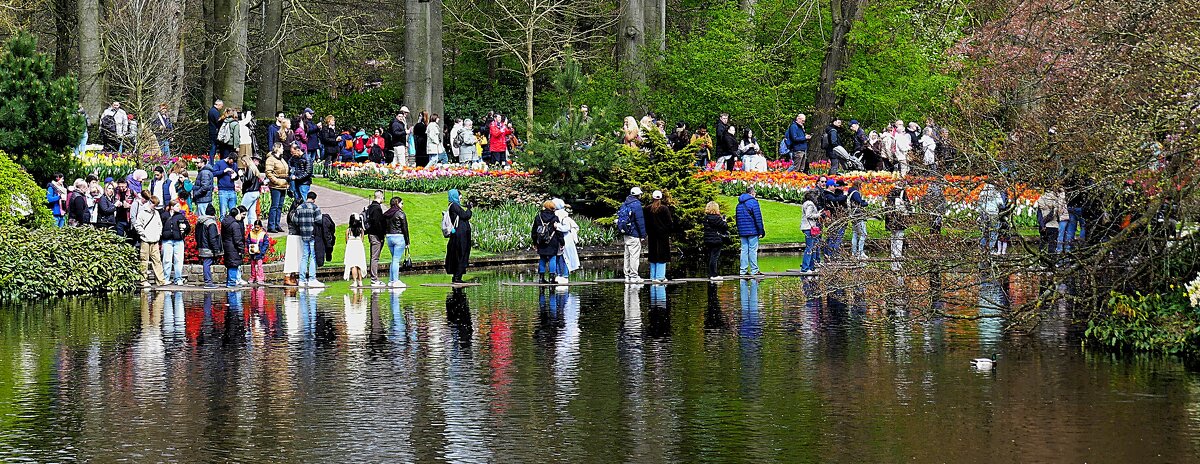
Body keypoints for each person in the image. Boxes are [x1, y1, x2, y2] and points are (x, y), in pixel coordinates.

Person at [133, 193, 165, 286]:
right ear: (151, 203)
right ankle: (143, 280)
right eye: (154, 205)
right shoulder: (142, 213)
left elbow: (160, 225)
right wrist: (143, 234)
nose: (155, 207)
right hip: (145, 240)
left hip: (155, 240)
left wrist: (158, 235)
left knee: (157, 261)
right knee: (144, 260)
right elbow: (138, 225)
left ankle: (160, 280)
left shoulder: (156, 213)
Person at [294, 192, 324, 287]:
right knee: (313, 256)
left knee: (305, 256)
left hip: (304, 234)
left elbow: (295, 220)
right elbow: (319, 220)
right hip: (312, 234)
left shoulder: (299, 208)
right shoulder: (315, 208)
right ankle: (312, 278)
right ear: (314, 199)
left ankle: (302, 279)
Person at [644, 190, 675, 283]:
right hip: (662, 235)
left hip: (652, 235)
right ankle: (660, 276)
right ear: (661, 198)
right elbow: (669, 223)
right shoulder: (664, 209)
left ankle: (653, 276)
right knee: (662, 255)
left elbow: (646, 223)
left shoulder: (647, 209)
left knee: (653, 254)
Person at [618, 187, 647, 282]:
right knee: (634, 255)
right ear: (638, 195)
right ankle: (634, 276)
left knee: (627, 255)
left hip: (626, 233)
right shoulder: (637, 205)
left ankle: (627, 276)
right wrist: (643, 235)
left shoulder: (625, 203)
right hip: (634, 234)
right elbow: (640, 221)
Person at [444, 189, 473, 283]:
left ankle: (457, 276)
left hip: (459, 234)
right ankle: (457, 277)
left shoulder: (453, 206)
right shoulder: (454, 206)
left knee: (459, 254)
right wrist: (469, 209)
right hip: (460, 235)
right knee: (461, 254)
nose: (461, 198)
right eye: (459, 196)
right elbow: (465, 215)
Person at [735, 186, 766, 276]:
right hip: (752, 230)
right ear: (752, 193)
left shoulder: (739, 204)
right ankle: (754, 270)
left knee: (744, 250)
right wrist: (761, 231)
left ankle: (743, 271)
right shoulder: (754, 203)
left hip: (742, 231)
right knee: (752, 250)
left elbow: (737, 219)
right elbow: (758, 218)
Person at [532, 200, 564, 284]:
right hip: (552, 240)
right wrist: (562, 242)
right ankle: (552, 278)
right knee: (552, 258)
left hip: (541, 241)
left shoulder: (538, 217)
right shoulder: (555, 218)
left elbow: (534, 231)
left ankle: (541, 278)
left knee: (542, 258)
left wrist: (535, 242)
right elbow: (559, 231)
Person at [160, 200, 190, 286]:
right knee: (166, 260)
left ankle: (178, 278)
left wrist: (184, 231)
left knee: (179, 260)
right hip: (167, 240)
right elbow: (159, 225)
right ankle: (166, 278)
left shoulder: (181, 216)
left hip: (178, 240)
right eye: (177, 206)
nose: (179, 208)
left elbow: (188, 227)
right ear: (172, 207)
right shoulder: (164, 215)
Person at [384, 196, 411, 287]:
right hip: (399, 237)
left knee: (394, 259)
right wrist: (407, 242)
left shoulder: (387, 214)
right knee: (396, 260)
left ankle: (391, 280)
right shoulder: (400, 213)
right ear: (397, 203)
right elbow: (405, 228)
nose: (402, 206)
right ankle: (395, 281)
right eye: (401, 203)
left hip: (389, 237)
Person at [196, 205, 223, 288]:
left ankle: (208, 281)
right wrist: (216, 250)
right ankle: (208, 282)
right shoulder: (211, 223)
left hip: (202, 245)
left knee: (206, 263)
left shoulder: (200, 221)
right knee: (207, 263)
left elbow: (196, 235)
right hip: (208, 247)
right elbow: (213, 238)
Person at [553, 199, 580, 284]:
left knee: (565, 257)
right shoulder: (559, 214)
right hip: (559, 239)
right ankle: (559, 274)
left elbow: (566, 227)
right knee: (559, 257)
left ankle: (564, 275)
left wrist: (557, 226)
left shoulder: (562, 216)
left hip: (565, 239)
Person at [821, 180, 849, 262]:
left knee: (832, 237)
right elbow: (835, 200)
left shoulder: (831, 194)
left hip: (833, 218)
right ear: (829, 186)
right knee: (834, 237)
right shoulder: (828, 195)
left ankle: (829, 255)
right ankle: (832, 256)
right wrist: (845, 196)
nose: (835, 187)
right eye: (834, 186)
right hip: (833, 218)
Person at [364, 190, 388, 286]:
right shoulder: (377, 208)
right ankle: (374, 279)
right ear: (381, 197)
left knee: (374, 257)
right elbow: (377, 223)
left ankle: (374, 278)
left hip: (372, 234)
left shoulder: (370, 207)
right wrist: (381, 236)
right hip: (376, 235)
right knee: (375, 258)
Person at [885, 181, 910, 271]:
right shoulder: (902, 193)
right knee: (899, 241)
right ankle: (898, 262)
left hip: (891, 221)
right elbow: (908, 206)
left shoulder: (890, 192)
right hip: (899, 220)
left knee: (893, 240)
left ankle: (893, 262)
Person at [265, 143, 289, 232]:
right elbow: (269, 172)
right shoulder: (271, 159)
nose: (283, 149)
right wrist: (276, 181)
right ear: (278, 148)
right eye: (282, 148)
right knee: (274, 206)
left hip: (283, 185)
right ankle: (271, 225)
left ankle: (277, 224)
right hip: (276, 185)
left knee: (280, 206)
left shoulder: (281, 159)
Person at [221, 205, 247, 288]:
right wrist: (241, 249)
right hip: (233, 248)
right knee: (233, 265)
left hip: (227, 246)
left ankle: (229, 282)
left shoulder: (225, 222)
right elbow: (238, 239)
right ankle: (232, 283)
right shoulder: (235, 225)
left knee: (230, 264)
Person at [702, 201, 729, 280]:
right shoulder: (717, 218)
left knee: (710, 257)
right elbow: (724, 226)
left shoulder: (706, 218)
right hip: (716, 239)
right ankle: (714, 274)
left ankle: (710, 274)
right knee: (714, 257)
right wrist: (724, 220)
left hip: (707, 239)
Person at [338, 213, 366, 287]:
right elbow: (362, 239)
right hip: (359, 246)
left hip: (351, 247)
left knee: (353, 265)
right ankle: (360, 281)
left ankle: (354, 281)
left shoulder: (348, 230)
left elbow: (346, 240)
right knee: (359, 264)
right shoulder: (361, 230)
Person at [977, 182, 1004, 254]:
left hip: (984, 214)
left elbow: (978, 204)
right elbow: (1000, 203)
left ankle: (982, 249)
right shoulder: (995, 192)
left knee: (985, 233)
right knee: (994, 232)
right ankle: (990, 249)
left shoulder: (982, 192)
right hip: (993, 213)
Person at [800, 190, 822, 273]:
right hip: (809, 228)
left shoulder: (805, 203)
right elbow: (808, 215)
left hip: (807, 227)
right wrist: (818, 215)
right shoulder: (810, 204)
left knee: (813, 247)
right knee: (809, 248)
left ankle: (811, 267)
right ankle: (805, 268)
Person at [241, 154, 266, 225]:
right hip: (256, 192)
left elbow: (247, 180)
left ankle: (245, 227)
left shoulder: (249, 169)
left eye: (243, 161)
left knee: (243, 210)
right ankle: (252, 227)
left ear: (245, 161)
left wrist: (241, 176)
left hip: (250, 192)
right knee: (252, 212)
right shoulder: (254, 168)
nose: (242, 163)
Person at [847, 181, 869, 259]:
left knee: (855, 233)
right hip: (858, 215)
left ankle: (854, 252)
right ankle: (860, 252)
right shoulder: (855, 193)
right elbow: (859, 202)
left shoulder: (850, 192)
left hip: (853, 215)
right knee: (863, 234)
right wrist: (866, 203)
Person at [213, 152, 240, 217]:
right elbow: (213, 173)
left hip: (232, 190)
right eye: (232, 161)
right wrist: (224, 171)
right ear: (229, 158)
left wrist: (235, 176)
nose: (232, 163)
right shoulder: (219, 163)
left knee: (233, 212)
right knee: (223, 212)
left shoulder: (235, 165)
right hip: (223, 190)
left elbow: (237, 176)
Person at [247, 220, 269, 285]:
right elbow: (248, 241)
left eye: (258, 227)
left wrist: (262, 251)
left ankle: (260, 278)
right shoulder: (251, 233)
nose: (256, 229)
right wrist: (250, 247)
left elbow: (266, 244)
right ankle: (253, 277)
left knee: (259, 266)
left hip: (259, 253)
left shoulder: (263, 234)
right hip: (253, 252)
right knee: (252, 266)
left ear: (260, 227)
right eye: (255, 227)